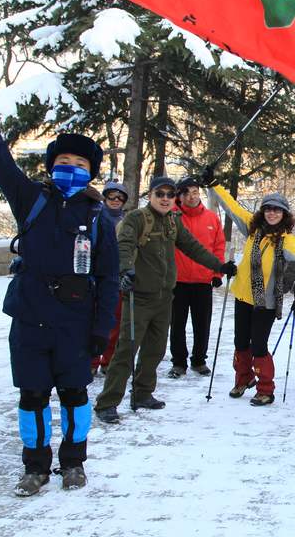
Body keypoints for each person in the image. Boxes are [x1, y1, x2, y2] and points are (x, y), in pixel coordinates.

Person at [0, 80, 119, 496]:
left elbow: (107, 279)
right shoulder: (31, 198)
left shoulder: (101, 219)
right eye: (63, 160)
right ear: (50, 166)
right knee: (31, 396)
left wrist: (102, 329)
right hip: (30, 318)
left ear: (91, 173)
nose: (71, 167)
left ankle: (74, 463)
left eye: (80, 163)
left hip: (75, 322)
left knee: (74, 396)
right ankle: (34, 467)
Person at [94, 177, 235, 423]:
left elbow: (193, 247)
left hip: (164, 297)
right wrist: (125, 270)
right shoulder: (137, 218)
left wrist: (219, 266)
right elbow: (124, 245)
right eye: (161, 194)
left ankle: (142, 394)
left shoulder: (173, 221)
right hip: (139, 297)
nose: (166, 198)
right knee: (126, 351)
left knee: (155, 350)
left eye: (170, 195)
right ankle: (107, 402)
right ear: (151, 195)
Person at [211, 180, 295, 406]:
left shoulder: (286, 239)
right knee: (241, 341)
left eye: (277, 210)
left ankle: (265, 389)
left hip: (266, 302)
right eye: (268, 209)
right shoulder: (252, 229)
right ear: (263, 212)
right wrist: (214, 184)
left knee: (259, 344)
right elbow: (231, 206)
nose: (272, 213)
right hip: (243, 295)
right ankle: (243, 378)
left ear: (284, 214)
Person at [168, 175, 226, 379]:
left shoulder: (211, 218)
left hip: (203, 281)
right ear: (179, 196)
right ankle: (179, 362)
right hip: (177, 281)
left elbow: (218, 247)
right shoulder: (171, 216)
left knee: (202, 324)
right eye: (187, 193)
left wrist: (218, 272)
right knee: (177, 325)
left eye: (195, 192)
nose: (192, 197)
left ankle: (199, 360)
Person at [92, 181, 129, 376]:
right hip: (96, 276)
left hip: (118, 276)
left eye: (120, 198)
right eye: (112, 197)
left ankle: (108, 359)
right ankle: (92, 360)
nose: (116, 201)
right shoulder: (95, 217)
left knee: (115, 322)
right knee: (93, 320)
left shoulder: (127, 220)